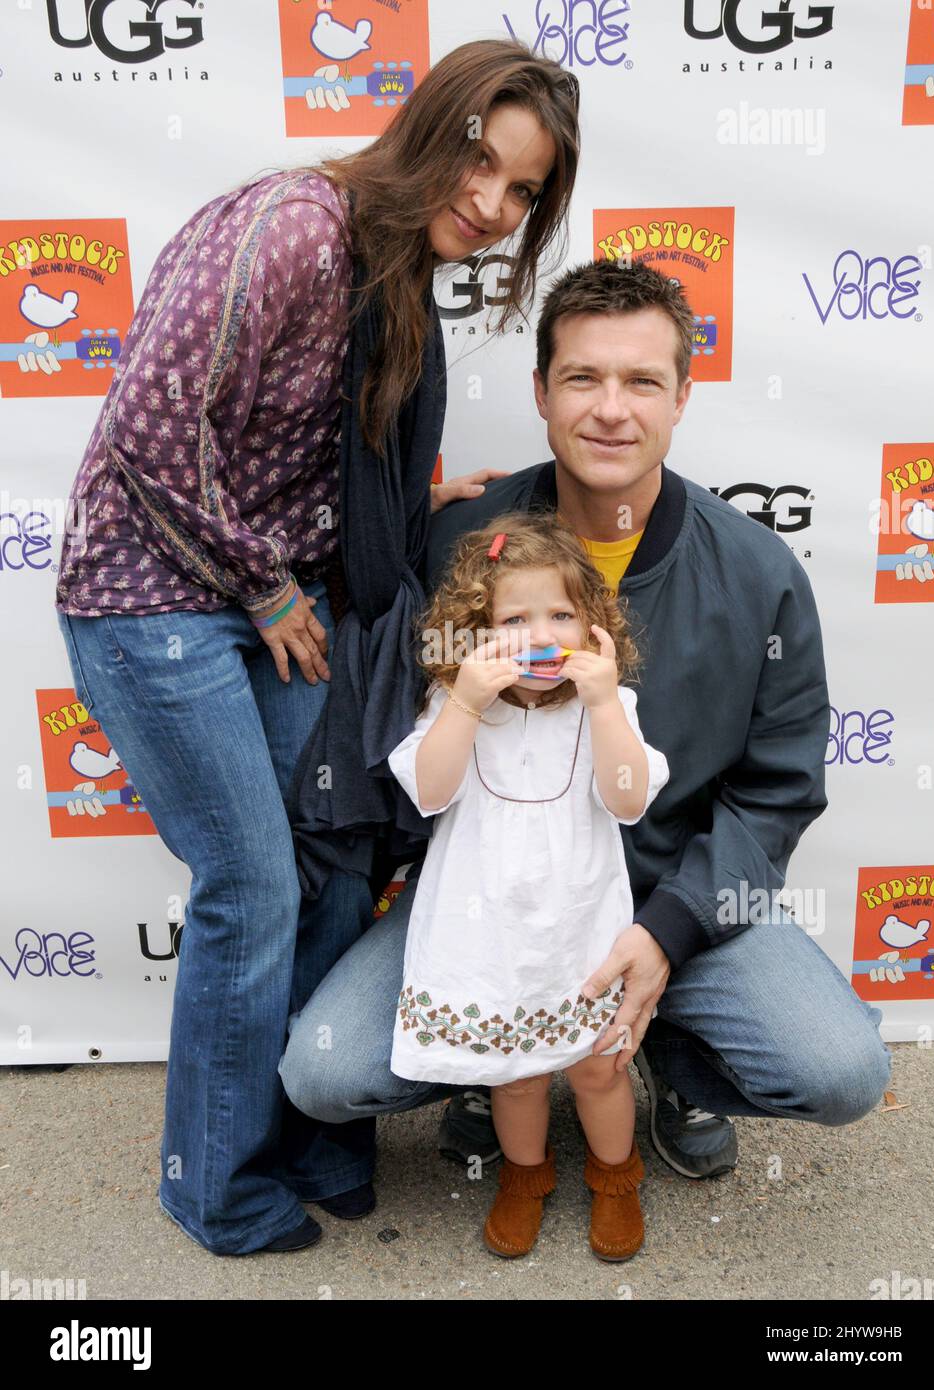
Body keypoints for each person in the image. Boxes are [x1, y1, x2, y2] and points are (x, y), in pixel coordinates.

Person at [53, 38, 581, 1257]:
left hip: (274, 590)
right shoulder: (294, 226)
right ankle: (211, 1184)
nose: (491, 205)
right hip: (153, 594)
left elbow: (303, 450)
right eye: (481, 162)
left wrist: (428, 496)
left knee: (333, 851)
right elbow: (146, 429)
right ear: (433, 125)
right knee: (251, 883)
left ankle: (302, 1129)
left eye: (520, 192)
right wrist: (263, 585)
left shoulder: (390, 265)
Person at [279, 259, 893, 1219]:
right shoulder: (458, 545)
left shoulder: (758, 570)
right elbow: (399, 733)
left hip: (669, 893)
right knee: (324, 1072)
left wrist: (669, 932)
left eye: (643, 380)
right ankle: (504, 1060)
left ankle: (667, 1061)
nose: (612, 409)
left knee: (841, 1070)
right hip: (493, 892)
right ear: (539, 391)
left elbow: (775, 792)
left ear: (684, 396)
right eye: (582, 378)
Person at [384, 514, 670, 1259]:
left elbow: (629, 799)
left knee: (600, 1069)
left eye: (561, 615)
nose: (541, 635)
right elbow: (429, 791)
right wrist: (468, 700)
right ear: (476, 630)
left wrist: (606, 701)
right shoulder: (453, 707)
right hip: (490, 936)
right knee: (516, 1080)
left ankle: (616, 1176)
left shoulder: (608, 707)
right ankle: (524, 1174)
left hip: (581, 931)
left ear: (594, 625)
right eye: (514, 619)